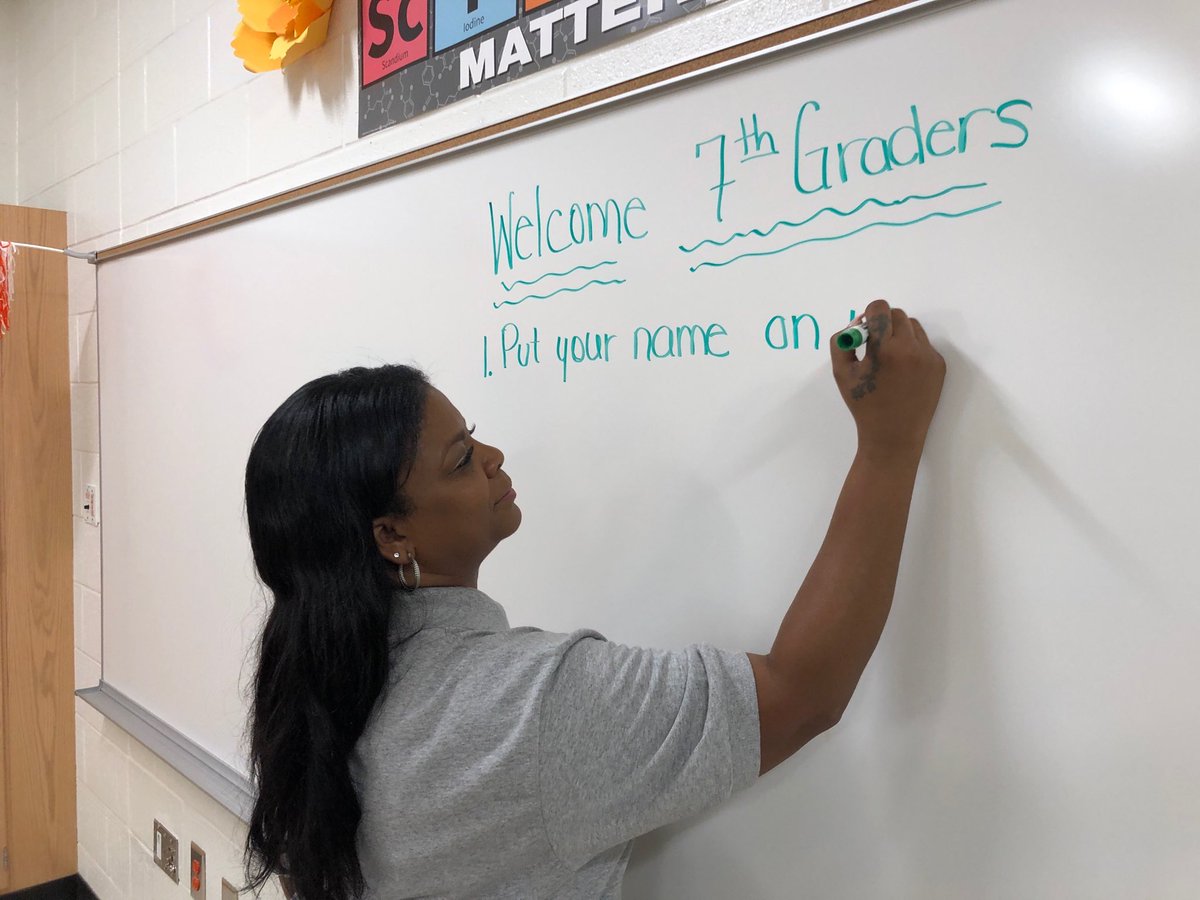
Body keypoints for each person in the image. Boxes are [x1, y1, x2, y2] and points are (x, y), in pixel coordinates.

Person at [240, 298, 945, 899]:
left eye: (474, 437)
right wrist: (890, 445)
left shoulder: (317, 690)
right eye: (460, 459)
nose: (494, 459)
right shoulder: (532, 708)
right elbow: (801, 693)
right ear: (391, 535)